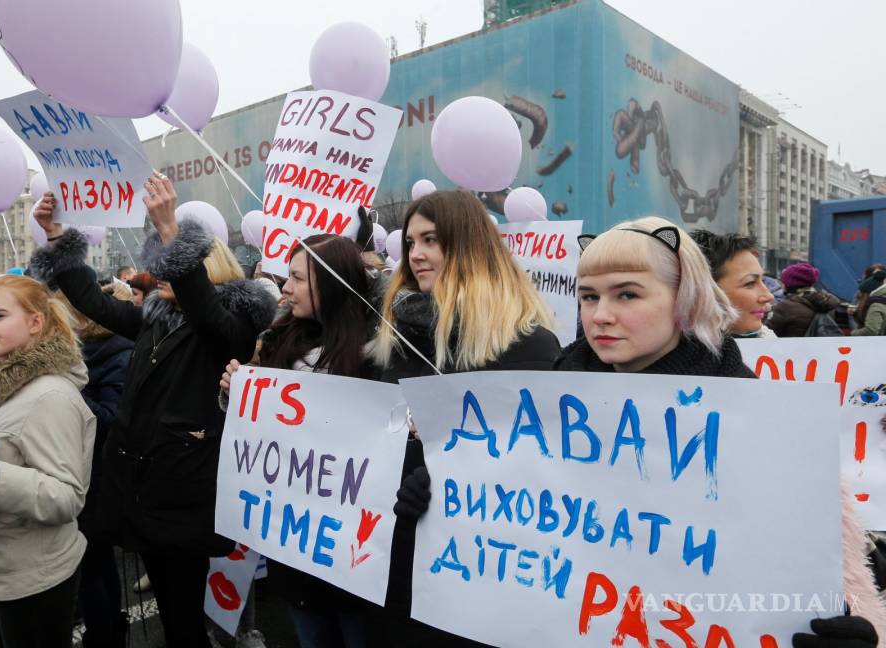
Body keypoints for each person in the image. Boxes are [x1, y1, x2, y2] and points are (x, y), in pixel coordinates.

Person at [550, 217, 885, 647]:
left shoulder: (757, 417)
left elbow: (821, 565)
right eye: (588, 297)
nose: (600, 315)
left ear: (684, 300)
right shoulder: (545, 402)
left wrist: (848, 624)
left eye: (627, 294)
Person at [28, 173, 276, 648]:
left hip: (184, 495)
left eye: (168, 262)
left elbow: (208, 317)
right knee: (173, 613)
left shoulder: (236, 322)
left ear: (204, 267)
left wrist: (170, 233)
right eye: (156, 262)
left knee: (183, 622)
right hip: (146, 491)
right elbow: (93, 303)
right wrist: (59, 238)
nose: (156, 270)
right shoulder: (155, 317)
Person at [374, 190, 560, 647]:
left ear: (468, 245)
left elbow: (539, 471)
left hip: (480, 574)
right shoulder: (398, 336)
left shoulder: (527, 344)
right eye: (412, 241)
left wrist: (443, 471)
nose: (415, 254)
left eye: (431, 240)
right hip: (400, 558)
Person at [220, 234, 380, 647]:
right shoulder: (277, 344)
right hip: (295, 545)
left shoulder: (377, 356)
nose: (285, 288)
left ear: (331, 283)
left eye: (297, 278)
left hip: (353, 550)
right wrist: (237, 396)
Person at [0, 275, 95, 648]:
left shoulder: (49, 396)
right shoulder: (4, 383)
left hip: (33, 578)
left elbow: (67, 497)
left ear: (35, 323)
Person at [54, 288, 135, 648]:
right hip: (72, 471)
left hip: (99, 479)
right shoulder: (78, 353)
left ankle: (106, 635)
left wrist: (68, 386)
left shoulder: (119, 353)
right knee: (87, 566)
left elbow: (111, 421)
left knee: (94, 566)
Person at [690, 230, 777, 338]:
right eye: (750, 283)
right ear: (703, 291)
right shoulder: (674, 351)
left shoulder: (769, 343)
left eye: (762, 281)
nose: (769, 296)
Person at [769, 262, 841, 337]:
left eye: (783, 282)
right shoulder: (826, 302)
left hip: (792, 348)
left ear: (790, 284)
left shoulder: (785, 307)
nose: (782, 285)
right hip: (819, 347)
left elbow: (767, 332)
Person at [851, 265, 886, 336]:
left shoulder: (876, 305)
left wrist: (853, 334)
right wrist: (855, 313)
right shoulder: (881, 301)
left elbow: (871, 331)